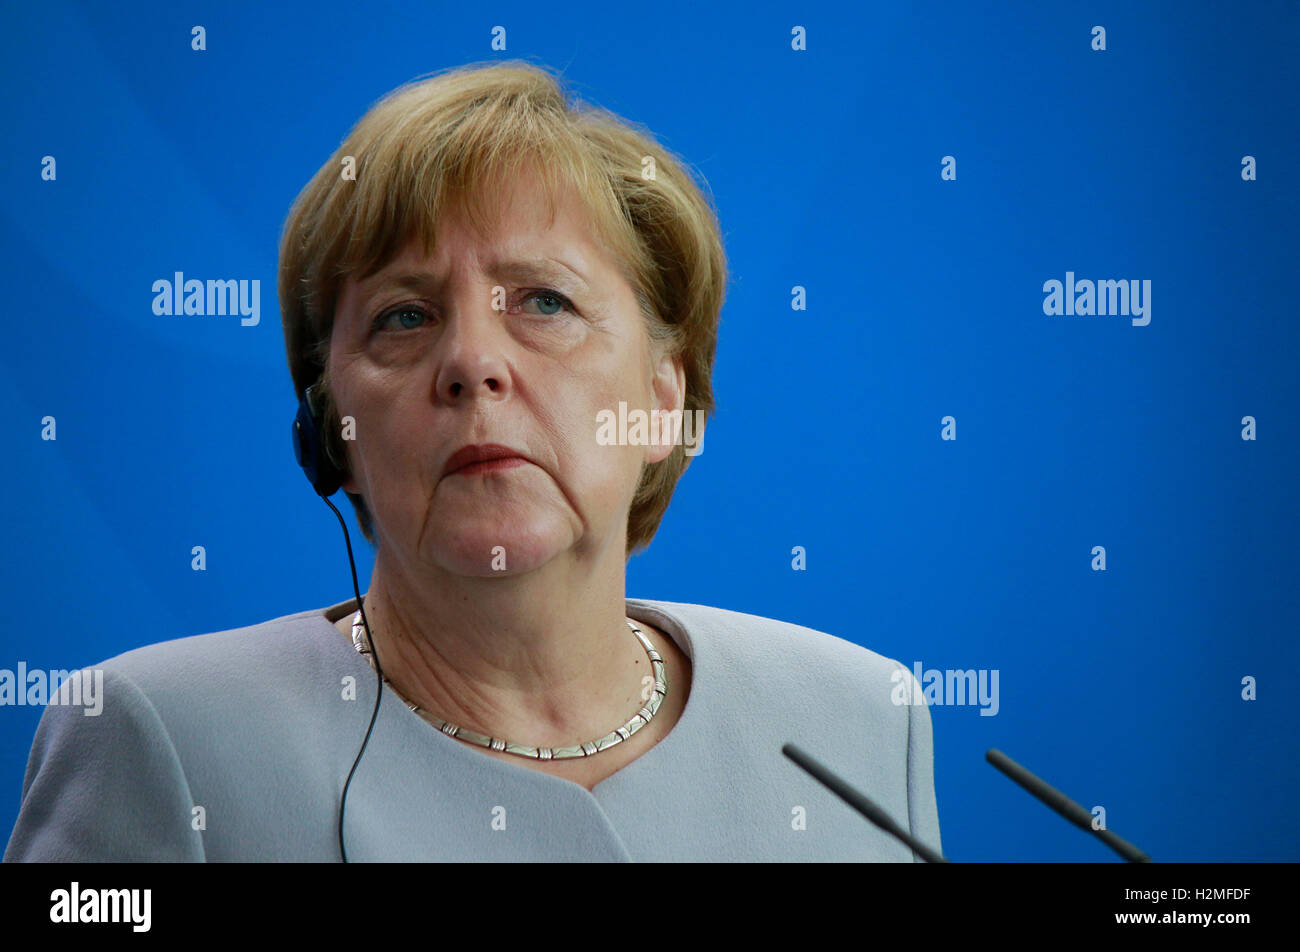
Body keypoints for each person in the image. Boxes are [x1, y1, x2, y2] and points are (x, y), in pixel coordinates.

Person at [4, 59, 940, 862]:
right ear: (335, 438)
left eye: (542, 303)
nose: (473, 364)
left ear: (665, 402)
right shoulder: (158, 734)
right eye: (403, 318)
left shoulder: (857, 721)